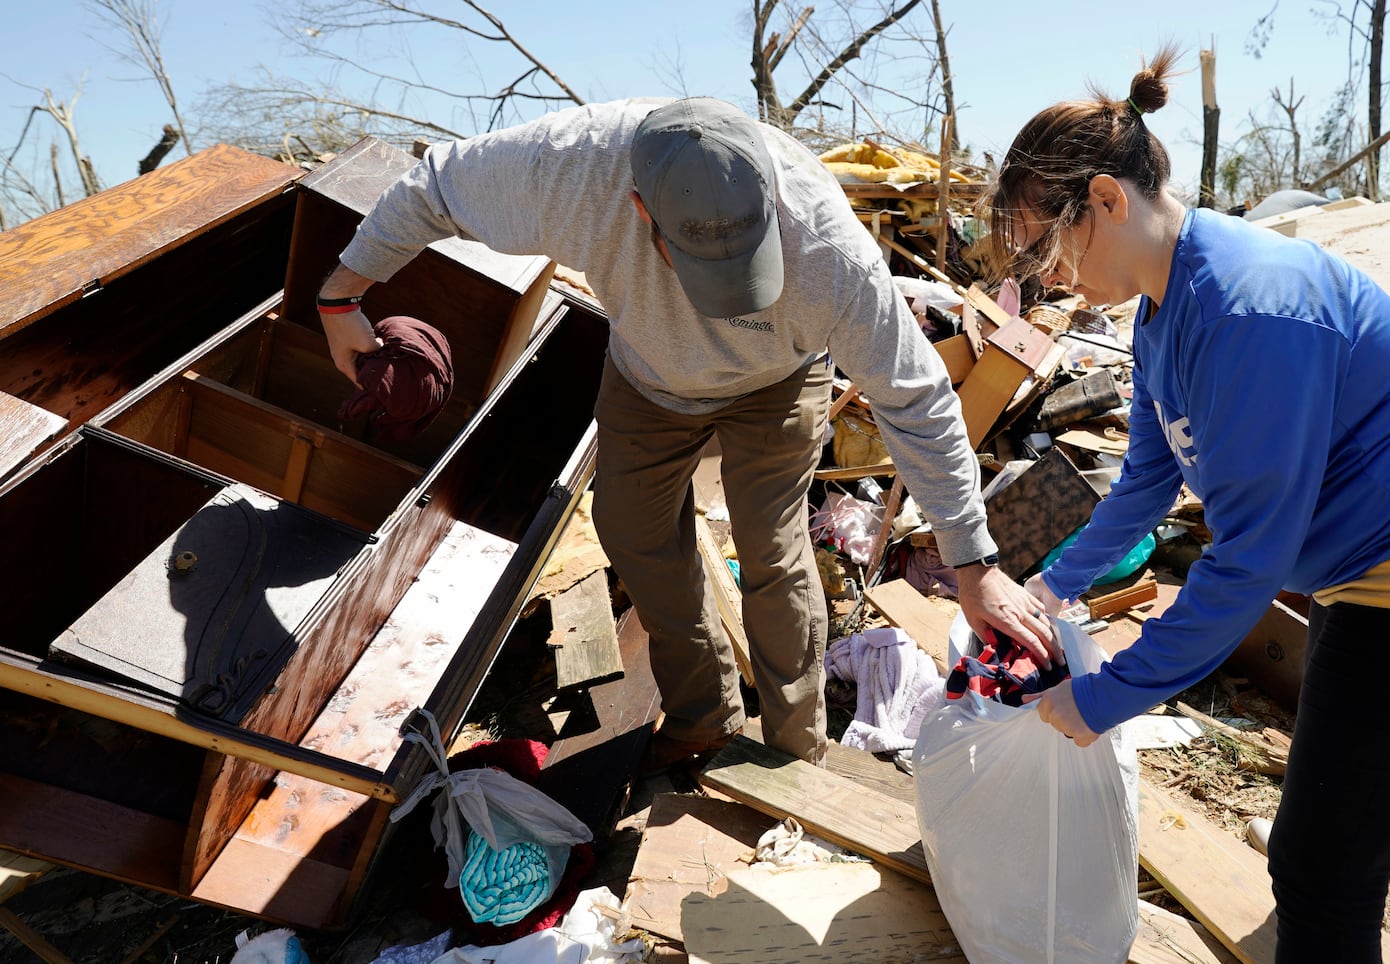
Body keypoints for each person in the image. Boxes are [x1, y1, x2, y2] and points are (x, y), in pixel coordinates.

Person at [992, 47, 1390, 964]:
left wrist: (1100, 699)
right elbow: (1144, 478)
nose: (1047, 279)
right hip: (1383, 568)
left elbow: (1245, 562)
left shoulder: (1251, 307)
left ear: (1100, 199)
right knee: (1329, 820)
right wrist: (1049, 586)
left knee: (1321, 875)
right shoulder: (1159, 315)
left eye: (1045, 250)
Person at [316, 96, 1061, 774]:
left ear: (772, 198)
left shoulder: (830, 252)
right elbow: (435, 185)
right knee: (631, 530)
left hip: (778, 384)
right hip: (649, 380)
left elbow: (919, 400)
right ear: (640, 211)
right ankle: (705, 718)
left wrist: (973, 563)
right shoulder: (573, 170)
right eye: (708, 269)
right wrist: (342, 294)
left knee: (771, 548)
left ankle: (796, 748)